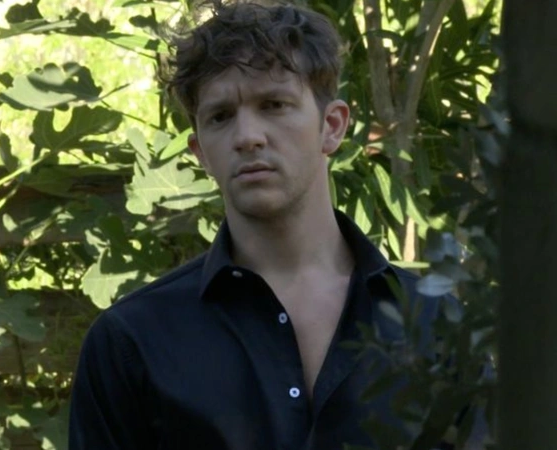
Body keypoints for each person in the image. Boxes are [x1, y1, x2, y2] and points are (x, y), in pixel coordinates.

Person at [68, 1, 469, 449]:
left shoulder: (437, 327)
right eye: (221, 117)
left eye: (274, 104)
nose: (247, 137)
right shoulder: (133, 343)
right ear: (201, 153)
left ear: (332, 126)